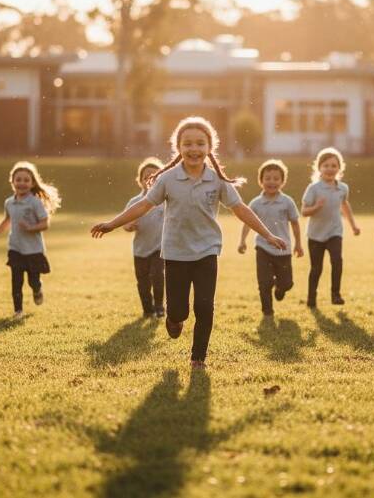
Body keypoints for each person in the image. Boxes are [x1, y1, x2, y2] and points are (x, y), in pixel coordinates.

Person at [90, 116, 286, 369]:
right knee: (178, 312)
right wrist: (111, 224)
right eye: (188, 144)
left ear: (209, 147)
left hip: (207, 251)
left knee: (204, 306)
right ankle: (173, 319)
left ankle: (198, 357)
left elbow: (241, 209)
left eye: (200, 144)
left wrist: (268, 234)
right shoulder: (168, 179)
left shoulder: (216, 180)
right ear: (178, 147)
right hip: (175, 253)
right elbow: (144, 205)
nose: (194, 149)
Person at [0, 161, 61, 319]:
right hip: (15, 248)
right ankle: (18, 311)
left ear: (33, 183)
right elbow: (7, 220)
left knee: (32, 281)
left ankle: (37, 289)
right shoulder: (9, 202)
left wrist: (30, 228)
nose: (22, 183)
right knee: (16, 281)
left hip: (33, 249)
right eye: (18, 179)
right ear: (12, 181)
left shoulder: (35, 202)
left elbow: (45, 223)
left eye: (26, 180)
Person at [237, 159, 303, 316]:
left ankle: (280, 288)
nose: (271, 182)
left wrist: (298, 244)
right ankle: (267, 311)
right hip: (263, 247)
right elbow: (247, 223)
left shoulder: (287, 202)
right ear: (261, 181)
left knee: (287, 283)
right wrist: (242, 241)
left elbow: (295, 224)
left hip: (283, 249)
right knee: (264, 282)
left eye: (276, 178)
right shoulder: (256, 203)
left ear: (282, 181)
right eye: (267, 178)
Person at [301, 147, 360, 307]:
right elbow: (304, 211)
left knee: (337, 261)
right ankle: (311, 298)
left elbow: (345, 205)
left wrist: (353, 225)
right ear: (319, 168)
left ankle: (335, 294)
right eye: (326, 165)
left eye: (334, 166)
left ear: (339, 168)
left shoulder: (343, 188)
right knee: (316, 268)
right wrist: (316, 207)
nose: (330, 169)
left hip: (335, 232)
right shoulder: (313, 189)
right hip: (315, 235)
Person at [124, 157, 166, 318]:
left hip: (160, 247)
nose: (150, 178)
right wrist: (129, 226)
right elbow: (126, 223)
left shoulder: (165, 200)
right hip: (140, 249)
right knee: (143, 282)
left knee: (157, 275)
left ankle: (159, 307)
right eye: (146, 176)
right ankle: (147, 310)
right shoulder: (135, 202)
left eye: (154, 175)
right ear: (140, 180)